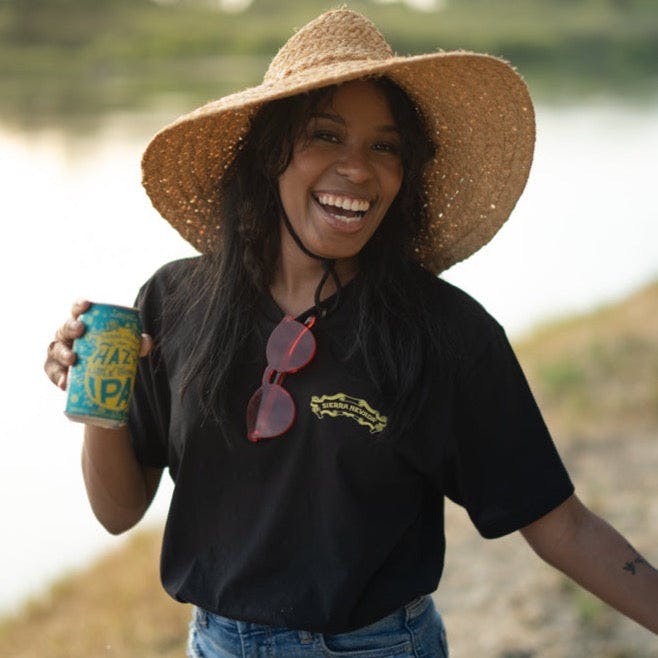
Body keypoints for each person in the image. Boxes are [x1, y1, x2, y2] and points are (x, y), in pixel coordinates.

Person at [44, 8, 657, 657]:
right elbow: (117, 514)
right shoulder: (174, 301)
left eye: (384, 147)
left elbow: (562, 526)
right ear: (267, 153)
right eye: (325, 136)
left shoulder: (446, 335)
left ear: (407, 172)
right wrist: (98, 403)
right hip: (215, 644)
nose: (358, 169)